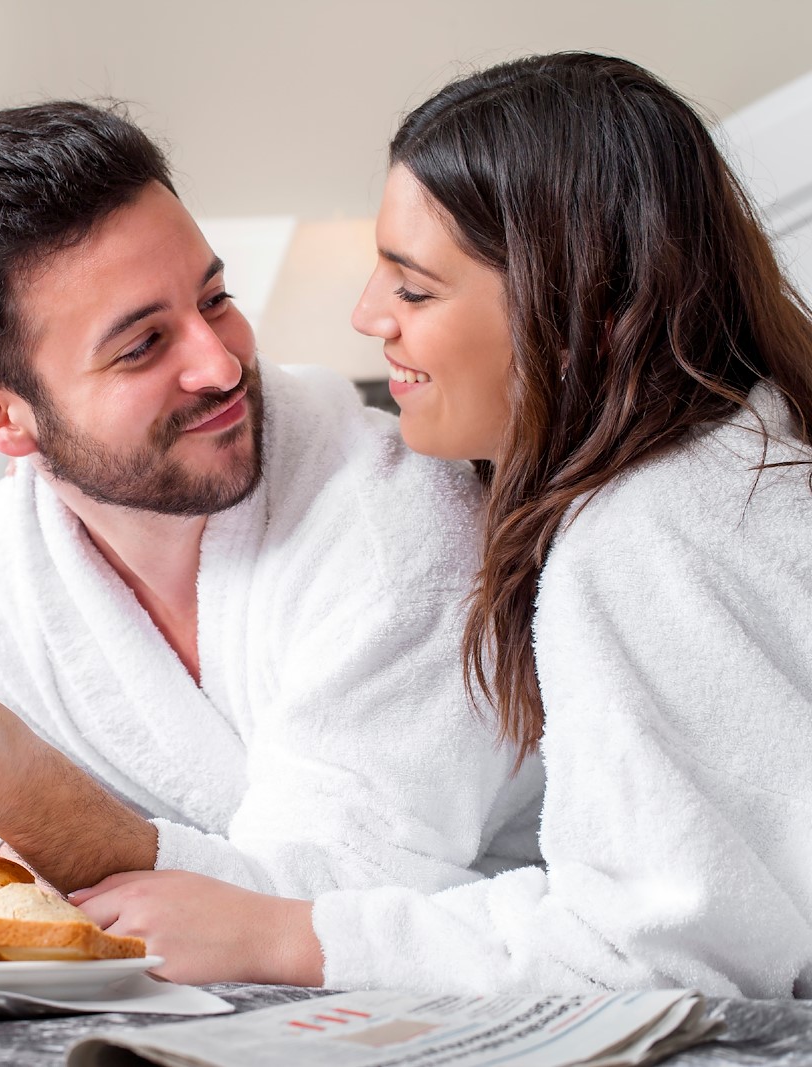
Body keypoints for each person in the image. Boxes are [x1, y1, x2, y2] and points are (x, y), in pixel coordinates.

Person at [73, 53, 812, 998]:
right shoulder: (752, 445)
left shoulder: (640, 541)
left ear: (593, 314)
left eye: (414, 289)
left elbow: (651, 952)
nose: (366, 314)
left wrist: (290, 936)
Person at [0, 101, 542, 899]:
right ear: (2, 417)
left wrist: (35, 804)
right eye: (144, 346)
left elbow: (338, 909)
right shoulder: (0, 558)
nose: (222, 365)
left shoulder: (398, 520)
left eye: (215, 298)